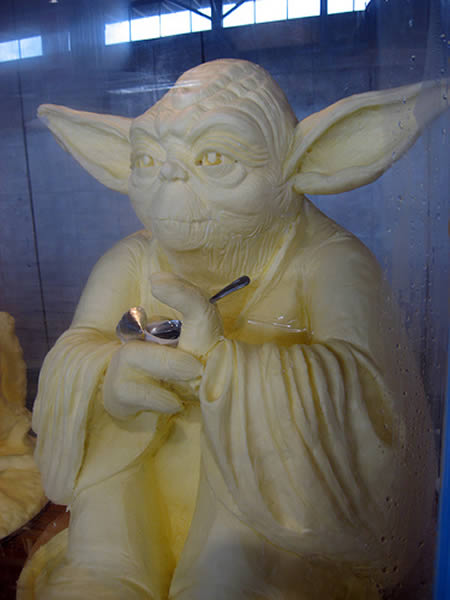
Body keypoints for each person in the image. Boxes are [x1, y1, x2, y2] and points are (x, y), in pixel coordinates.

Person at [20, 60, 444, 599]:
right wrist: (108, 377)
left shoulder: (329, 262)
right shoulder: (131, 259)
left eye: (215, 158)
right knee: (115, 461)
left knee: (250, 461)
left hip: (264, 521)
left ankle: (235, 575)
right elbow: (75, 354)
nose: (170, 181)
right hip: (139, 495)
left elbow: (375, 401)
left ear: (300, 165)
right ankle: (110, 565)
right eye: (147, 160)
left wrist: (228, 372)